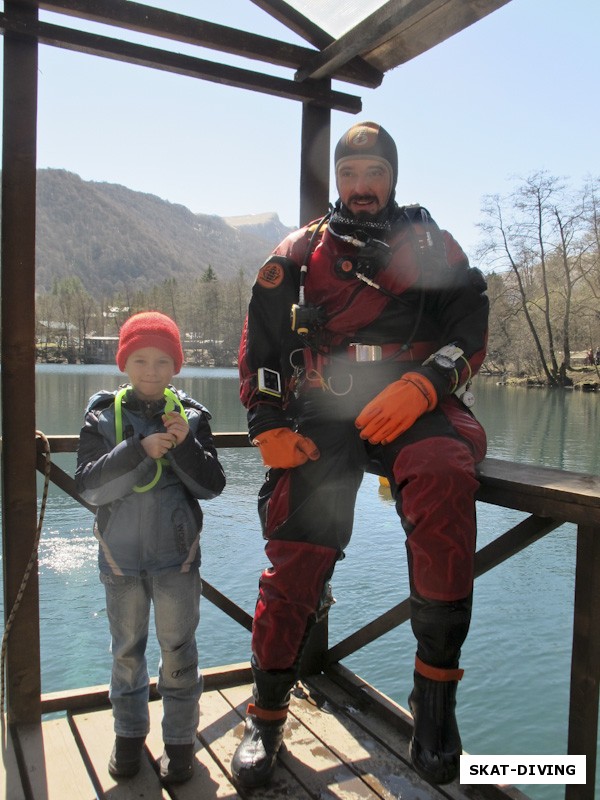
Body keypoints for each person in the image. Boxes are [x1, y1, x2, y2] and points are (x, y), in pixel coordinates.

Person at [233, 121, 489, 788]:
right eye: (351, 175)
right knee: (298, 549)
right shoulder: (299, 251)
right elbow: (261, 343)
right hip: (325, 409)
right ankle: (265, 715)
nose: (363, 185)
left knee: (443, 475)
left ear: (392, 177)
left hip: (414, 405)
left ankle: (434, 704)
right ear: (338, 183)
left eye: (375, 172)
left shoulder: (430, 243)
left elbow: (470, 323)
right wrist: (265, 424)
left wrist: (427, 383)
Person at [75, 311, 226, 784]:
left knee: (180, 654)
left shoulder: (193, 417)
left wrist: (183, 447)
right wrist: (139, 450)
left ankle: (180, 747)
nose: (151, 370)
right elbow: (89, 488)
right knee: (126, 653)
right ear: (124, 362)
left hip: (178, 561)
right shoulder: (101, 415)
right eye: (140, 359)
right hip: (119, 563)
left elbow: (212, 487)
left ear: (176, 366)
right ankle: (128, 739)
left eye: (163, 361)